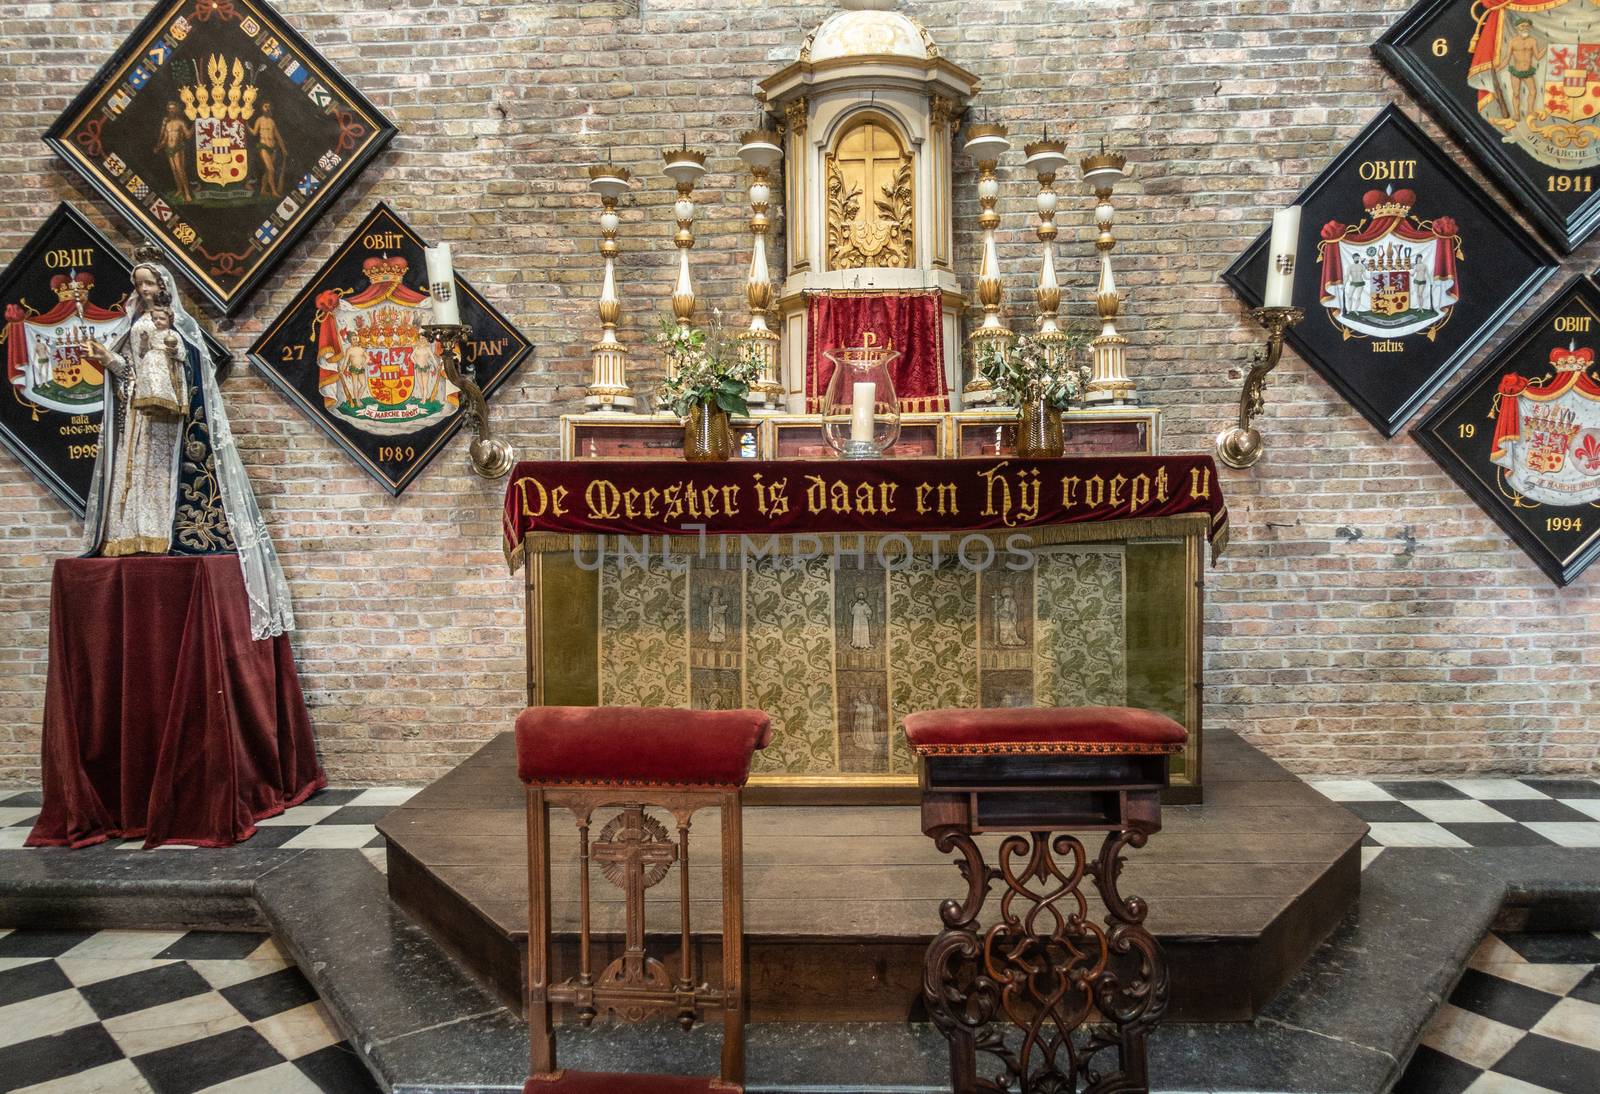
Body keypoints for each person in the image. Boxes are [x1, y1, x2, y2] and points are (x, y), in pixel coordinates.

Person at [85, 253, 294, 639]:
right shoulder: (132, 322)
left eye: (149, 283)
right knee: (133, 469)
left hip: (168, 413)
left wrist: (172, 346)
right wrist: (108, 360)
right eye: (140, 283)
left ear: (163, 286)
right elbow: (129, 367)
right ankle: (132, 532)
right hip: (138, 406)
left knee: (159, 469)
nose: (144, 290)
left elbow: (194, 363)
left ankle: (161, 530)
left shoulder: (179, 323)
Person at [1504, 19, 1545, 124]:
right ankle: (1516, 114)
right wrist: (1499, 67)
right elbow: (1507, 58)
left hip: (1528, 72)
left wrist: (1546, 48)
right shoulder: (1513, 41)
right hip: (1516, 71)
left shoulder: (1532, 41)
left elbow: (1538, 57)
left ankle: (1530, 111)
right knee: (1516, 93)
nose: (1525, 28)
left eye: (1527, 26)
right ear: (1517, 28)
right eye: (1522, 26)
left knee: (1533, 92)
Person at [154, 102, 193, 203]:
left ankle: (187, 193)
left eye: (173, 108)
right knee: (174, 170)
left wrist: (194, 125)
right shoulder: (166, 124)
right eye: (169, 109)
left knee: (180, 170)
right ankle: (179, 190)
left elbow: (188, 135)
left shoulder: (180, 122)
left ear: (176, 110)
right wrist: (158, 147)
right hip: (169, 149)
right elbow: (165, 139)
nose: (171, 110)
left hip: (178, 149)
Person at [249, 100, 286, 199]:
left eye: (269, 106)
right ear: (262, 108)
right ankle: (274, 191)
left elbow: (277, 136)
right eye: (265, 106)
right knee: (271, 169)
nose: (267, 108)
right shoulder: (259, 120)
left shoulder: (272, 121)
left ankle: (263, 190)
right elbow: (254, 133)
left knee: (268, 170)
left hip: (272, 148)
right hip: (263, 146)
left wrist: (283, 149)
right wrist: (247, 126)